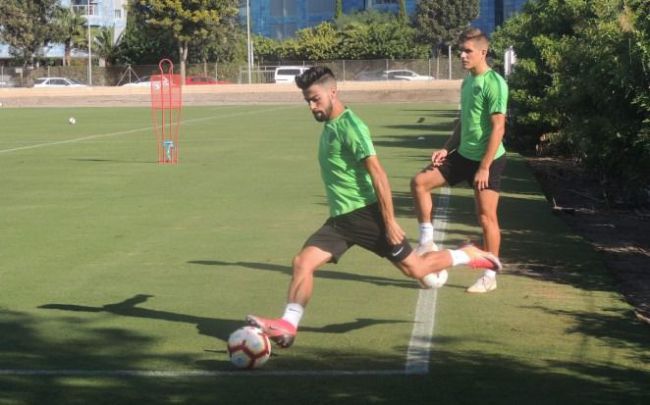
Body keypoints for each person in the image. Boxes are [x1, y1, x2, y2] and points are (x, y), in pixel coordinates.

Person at [247, 66, 502, 348]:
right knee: (302, 262)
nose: (311, 106)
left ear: (333, 92)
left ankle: (466, 254)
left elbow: (378, 174)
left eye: (315, 98)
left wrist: (390, 222)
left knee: (416, 270)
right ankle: (288, 326)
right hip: (341, 221)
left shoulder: (351, 127)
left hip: (367, 216)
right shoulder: (331, 126)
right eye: (307, 100)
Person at [410, 28, 508, 294]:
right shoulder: (467, 82)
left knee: (487, 218)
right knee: (419, 182)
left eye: (468, 51)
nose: (462, 56)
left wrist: (485, 167)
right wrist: (446, 148)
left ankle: (490, 274)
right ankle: (427, 242)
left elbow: (498, 128)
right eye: (461, 51)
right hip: (463, 155)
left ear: (483, 52)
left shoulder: (494, 83)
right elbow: (463, 123)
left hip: (489, 160)